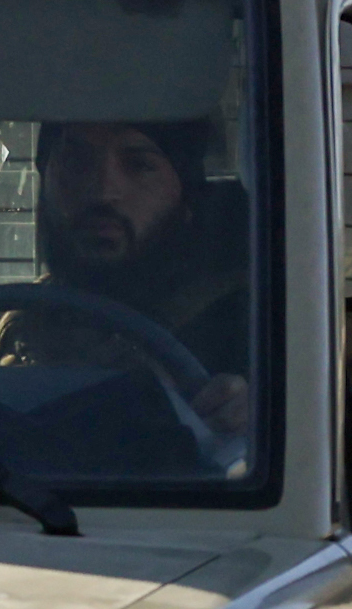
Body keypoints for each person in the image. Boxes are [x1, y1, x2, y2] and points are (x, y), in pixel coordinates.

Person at [23, 117, 261, 460]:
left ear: (185, 194)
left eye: (139, 165)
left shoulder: (254, 329)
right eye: (75, 161)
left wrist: (250, 414)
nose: (102, 191)